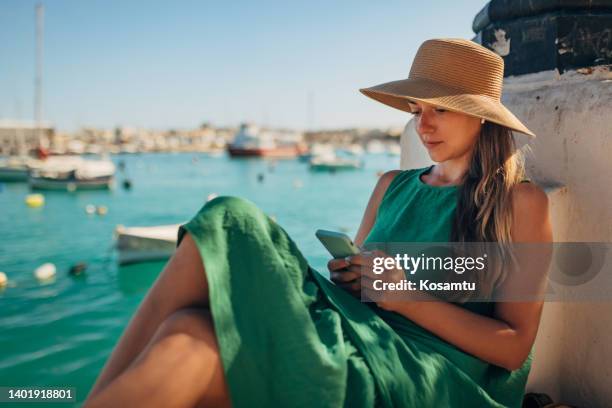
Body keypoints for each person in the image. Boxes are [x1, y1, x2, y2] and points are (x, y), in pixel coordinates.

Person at [85, 38, 553, 408]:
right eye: (416, 112)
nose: (423, 126)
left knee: (231, 225)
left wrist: (406, 298)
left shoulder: (520, 204)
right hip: (360, 330)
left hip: (432, 373)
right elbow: (370, 284)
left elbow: (513, 348)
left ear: (481, 116)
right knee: (192, 322)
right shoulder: (391, 184)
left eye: (440, 109)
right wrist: (356, 276)